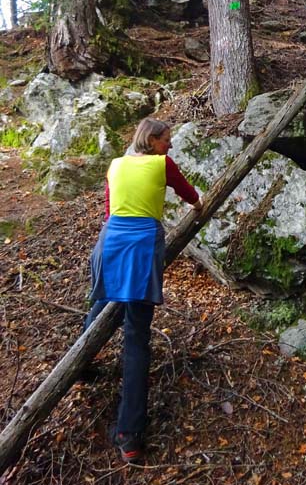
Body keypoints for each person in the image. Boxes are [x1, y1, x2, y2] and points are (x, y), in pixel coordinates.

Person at [84, 117, 202, 464]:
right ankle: (129, 435)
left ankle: (83, 365)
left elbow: (109, 211)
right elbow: (189, 193)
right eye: (167, 139)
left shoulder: (116, 165)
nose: (170, 145)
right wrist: (198, 206)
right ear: (151, 140)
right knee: (136, 337)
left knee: (100, 306)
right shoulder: (161, 163)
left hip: (109, 243)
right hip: (140, 247)